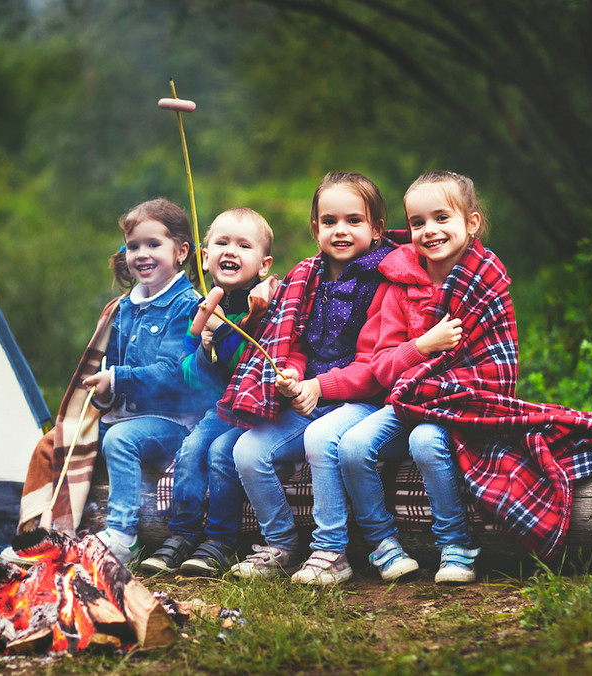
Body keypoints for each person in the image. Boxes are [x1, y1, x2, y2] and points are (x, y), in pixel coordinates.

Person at [219, 172, 396, 579]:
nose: (341, 230)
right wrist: (293, 376)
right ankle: (280, 543)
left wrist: (320, 387)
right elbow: (294, 341)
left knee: (320, 439)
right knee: (248, 451)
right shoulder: (307, 277)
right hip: (309, 399)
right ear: (316, 229)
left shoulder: (385, 280)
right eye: (330, 221)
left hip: (363, 403)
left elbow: (375, 364)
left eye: (354, 221)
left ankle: (332, 550)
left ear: (377, 228)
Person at [336, 170, 489, 585]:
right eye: (418, 222)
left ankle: (455, 543)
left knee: (425, 440)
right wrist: (421, 346)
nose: (429, 230)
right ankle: (383, 542)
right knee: (352, 446)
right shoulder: (398, 286)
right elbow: (381, 365)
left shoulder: (485, 283)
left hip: (461, 405)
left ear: (471, 223)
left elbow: (495, 363)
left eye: (442, 218)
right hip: (405, 402)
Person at [138, 207, 275, 576]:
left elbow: (254, 363)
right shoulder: (202, 306)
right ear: (204, 254)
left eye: (244, 245)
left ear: (263, 264)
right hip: (218, 409)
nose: (231, 251)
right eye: (222, 242)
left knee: (218, 453)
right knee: (192, 449)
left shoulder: (266, 306)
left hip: (255, 411)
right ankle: (181, 534)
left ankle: (220, 540)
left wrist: (227, 334)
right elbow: (188, 375)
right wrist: (204, 347)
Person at [82, 197, 205, 565]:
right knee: (61, 444)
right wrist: (105, 392)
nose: (142, 254)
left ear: (181, 251)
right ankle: (52, 528)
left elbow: (174, 373)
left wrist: (117, 380)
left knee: (120, 440)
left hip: (172, 421)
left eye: (154, 244)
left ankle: (123, 536)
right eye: (133, 246)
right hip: (126, 415)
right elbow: (113, 364)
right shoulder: (125, 308)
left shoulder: (188, 304)